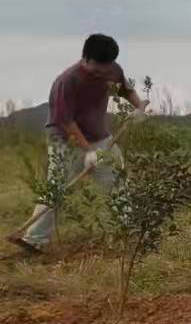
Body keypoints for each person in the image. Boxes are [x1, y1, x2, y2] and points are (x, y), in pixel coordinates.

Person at [7, 34, 150, 254]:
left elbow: (126, 90)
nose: (103, 72)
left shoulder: (113, 69)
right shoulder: (67, 81)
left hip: (99, 135)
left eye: (106, 66)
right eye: (97, 67)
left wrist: (139, 108)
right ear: (85, 58)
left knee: (118, 182)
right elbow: (65, 121)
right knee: (57, 188)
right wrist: (88, 151)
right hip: (64, 140)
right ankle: (34, 240)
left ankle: (130, 233)